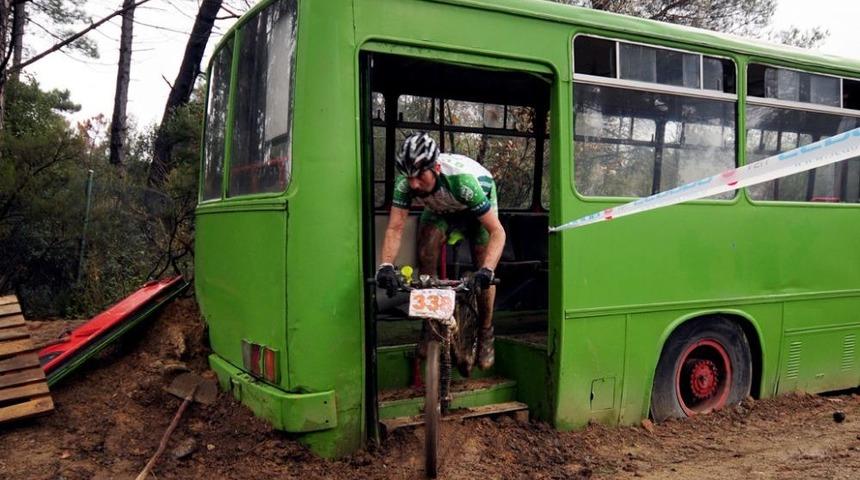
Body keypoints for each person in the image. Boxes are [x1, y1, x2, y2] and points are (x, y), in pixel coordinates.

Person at [375, 132, 506, 370]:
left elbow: (498, 232)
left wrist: (487, 270)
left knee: (484, 266)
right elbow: (395, 228)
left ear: (435, 167)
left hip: (475, 207)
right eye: (409, 177)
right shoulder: (406, 183)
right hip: (442, 209)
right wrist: (385, 266)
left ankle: (486, 331)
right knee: (426, 251)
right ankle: (430, 325)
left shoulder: (462, 182)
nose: (414, 184)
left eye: (419, 176)